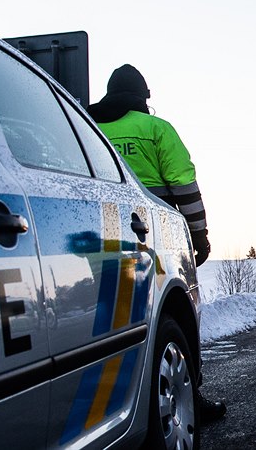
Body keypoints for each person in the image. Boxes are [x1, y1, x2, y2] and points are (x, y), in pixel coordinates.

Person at [88, 64, 226, 420]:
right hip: (153, 237)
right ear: (143, 97)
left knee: (107, 327)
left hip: (96, 238)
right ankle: (186, 395)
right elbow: (183, 186)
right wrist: (199, 235)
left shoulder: (86, 125)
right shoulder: (155, 129)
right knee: (170, 318)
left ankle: (105, 407)